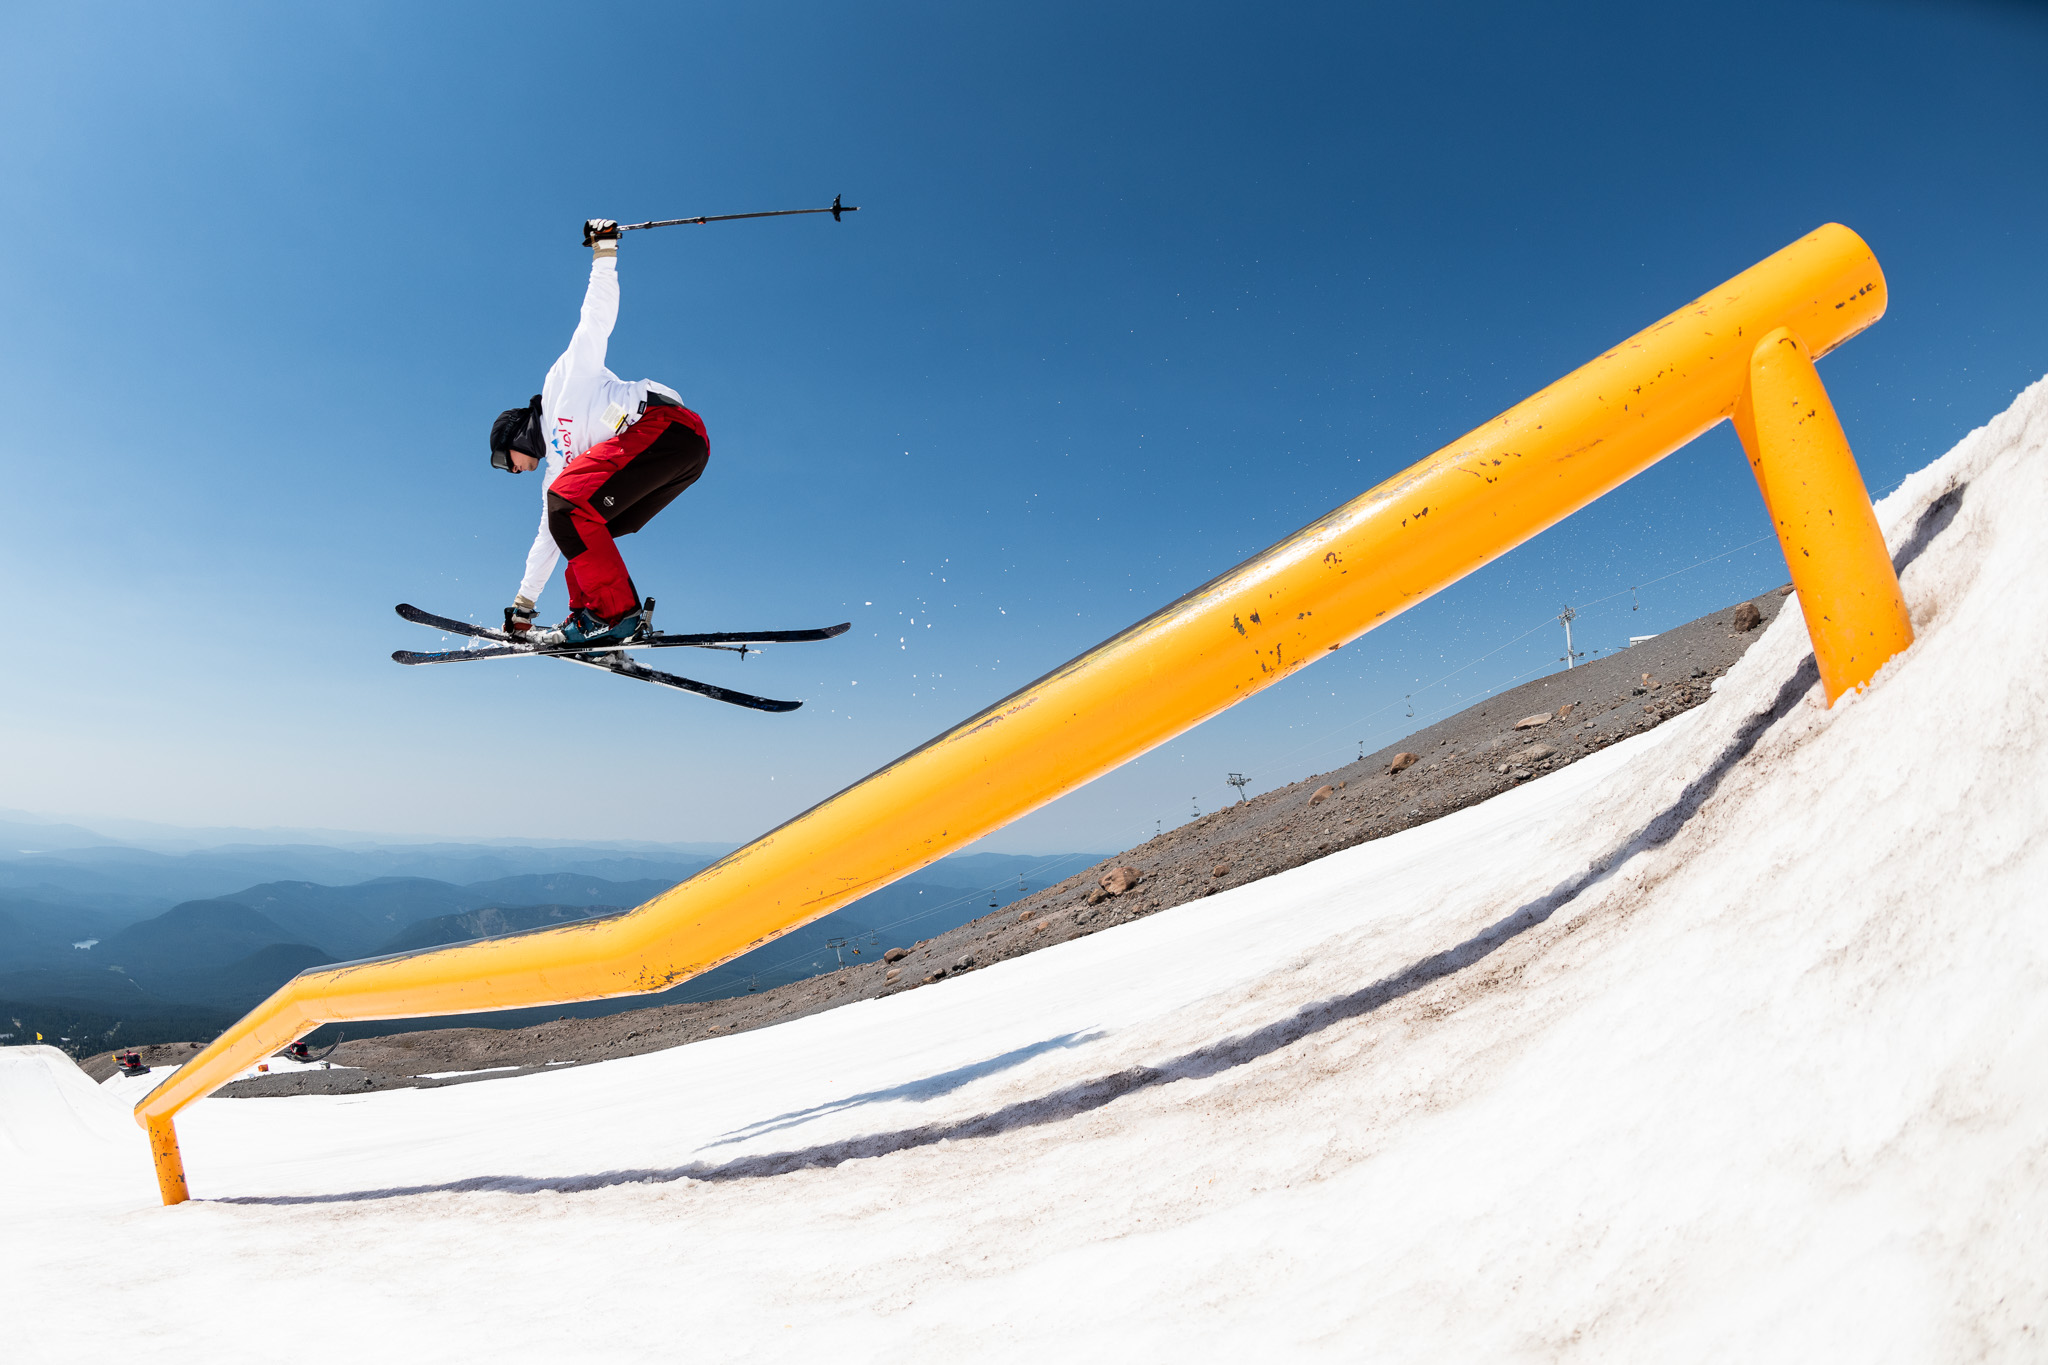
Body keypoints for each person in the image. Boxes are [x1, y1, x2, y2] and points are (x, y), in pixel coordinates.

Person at [486, 218, 711, 648]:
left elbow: (594, 323)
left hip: (669, 429)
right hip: (670, 455)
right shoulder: (562, 467)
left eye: (504, 461)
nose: (511, 471)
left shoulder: (562, 385)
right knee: (573, 520)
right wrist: (524, 604)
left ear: (514, 434)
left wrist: (604, 255)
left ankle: (615, 615)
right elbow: (549, 536)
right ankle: (592, 617)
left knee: (567, 506)